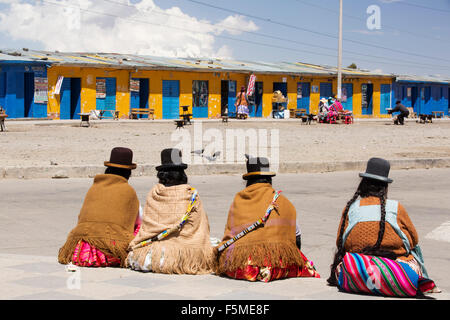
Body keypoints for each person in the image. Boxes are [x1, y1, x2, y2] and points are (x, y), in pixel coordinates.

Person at [327, 157, 439, 297]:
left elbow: (340, 241)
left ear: (363, 184)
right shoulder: (395, 208)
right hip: (394, 269)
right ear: (385, 186)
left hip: (357, 269)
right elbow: (414, 240)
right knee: (413, 258)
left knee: (341, 266)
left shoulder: (350, 208)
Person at [215, 155, 320, 282]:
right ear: (269, 179)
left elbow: (229, 238)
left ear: (249, 180)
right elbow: (297, 238)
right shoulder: (283, 201)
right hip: (278, 265)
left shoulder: (239, 200)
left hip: (245, 267)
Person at [127, 148, 216, 274]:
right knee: (210, 245)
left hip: (157, 250)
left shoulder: (154, 193)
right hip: (187, 251)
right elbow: (201, 226)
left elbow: (147, 227)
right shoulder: (191, 194)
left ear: (162, 174)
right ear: (182, 173)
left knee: (142, 258)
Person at [58, 147, 141, 267]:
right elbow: (137, 220)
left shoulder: (95, 187)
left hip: (81, 251)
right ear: (128, 173)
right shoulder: (128, 191)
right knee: (139, 227)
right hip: (109, 252)